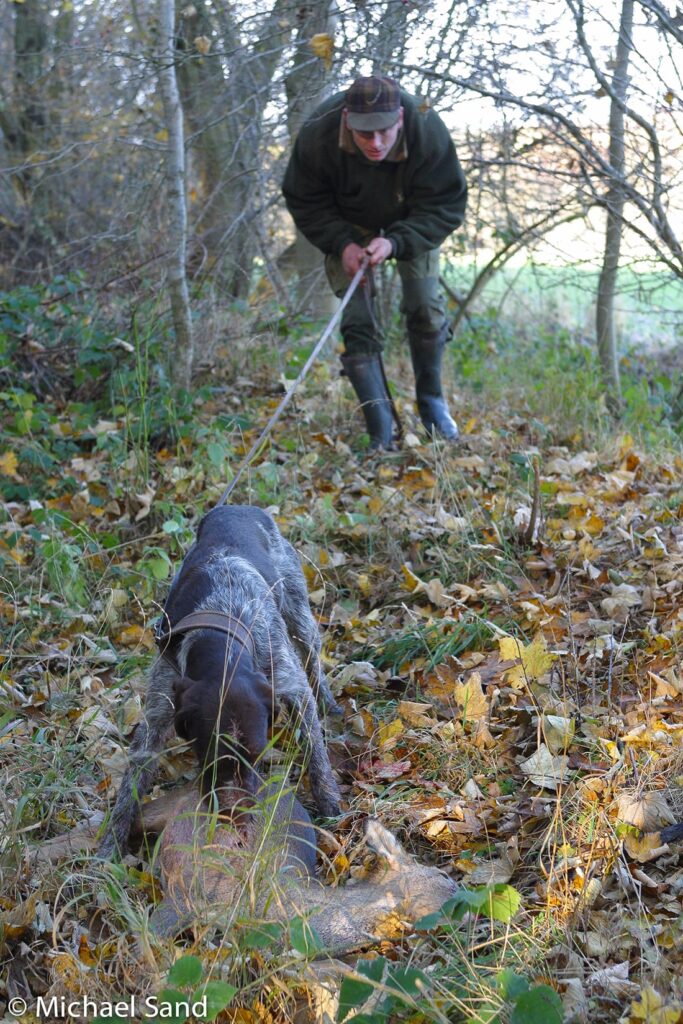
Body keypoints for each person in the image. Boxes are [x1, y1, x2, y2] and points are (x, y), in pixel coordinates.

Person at [282, 74, 467, 449]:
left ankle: (432, 404)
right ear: (347, 118)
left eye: (384, 132)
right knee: (357, 319)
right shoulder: (319, 133)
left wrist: (396, 242)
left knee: (425, 306)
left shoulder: (427, 128)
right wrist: (342, 244)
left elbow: (446, 204)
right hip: (346, 223)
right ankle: (380, 427)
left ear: (400, 117)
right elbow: (305, 200)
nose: (376, 143)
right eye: (365, 134)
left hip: (412, 219)